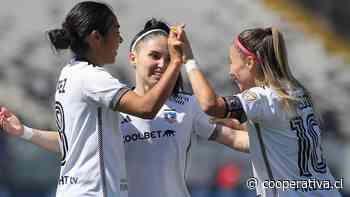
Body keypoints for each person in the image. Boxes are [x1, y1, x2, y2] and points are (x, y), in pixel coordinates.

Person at [0, 1, 185, 197]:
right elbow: (146, 108)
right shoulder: (93, 78)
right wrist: (175, 62)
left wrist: (24, 132)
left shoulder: (68, 73)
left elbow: (70, 142)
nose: (120, 39)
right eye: (116, 31)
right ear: (96, 37)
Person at [182, 27, 342, 196]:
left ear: (250, 63)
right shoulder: (296, 91)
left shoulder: (263, 97)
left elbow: (211, 105)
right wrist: (209, 127)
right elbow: (260, 141)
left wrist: (189, 60)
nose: (231, 71)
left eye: (232, 61)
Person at [121, 18, 248, 197]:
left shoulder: (187, 105)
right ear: (133, 58)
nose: (162, 65)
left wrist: (281, 141)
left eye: (169, 58)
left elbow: (234, 137)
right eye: (154, 56)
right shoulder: (114, 107)